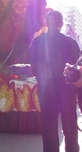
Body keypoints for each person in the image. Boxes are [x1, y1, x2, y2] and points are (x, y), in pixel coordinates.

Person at [29, 10, 80, 152]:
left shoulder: (37, 42)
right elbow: (76, 69)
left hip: (46, 88)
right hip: (67, 87)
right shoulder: (71, 42)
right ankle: (72, 149)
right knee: (69, 120)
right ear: (61, 24)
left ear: (46, 23)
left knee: (49, 122)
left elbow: (33, 65)